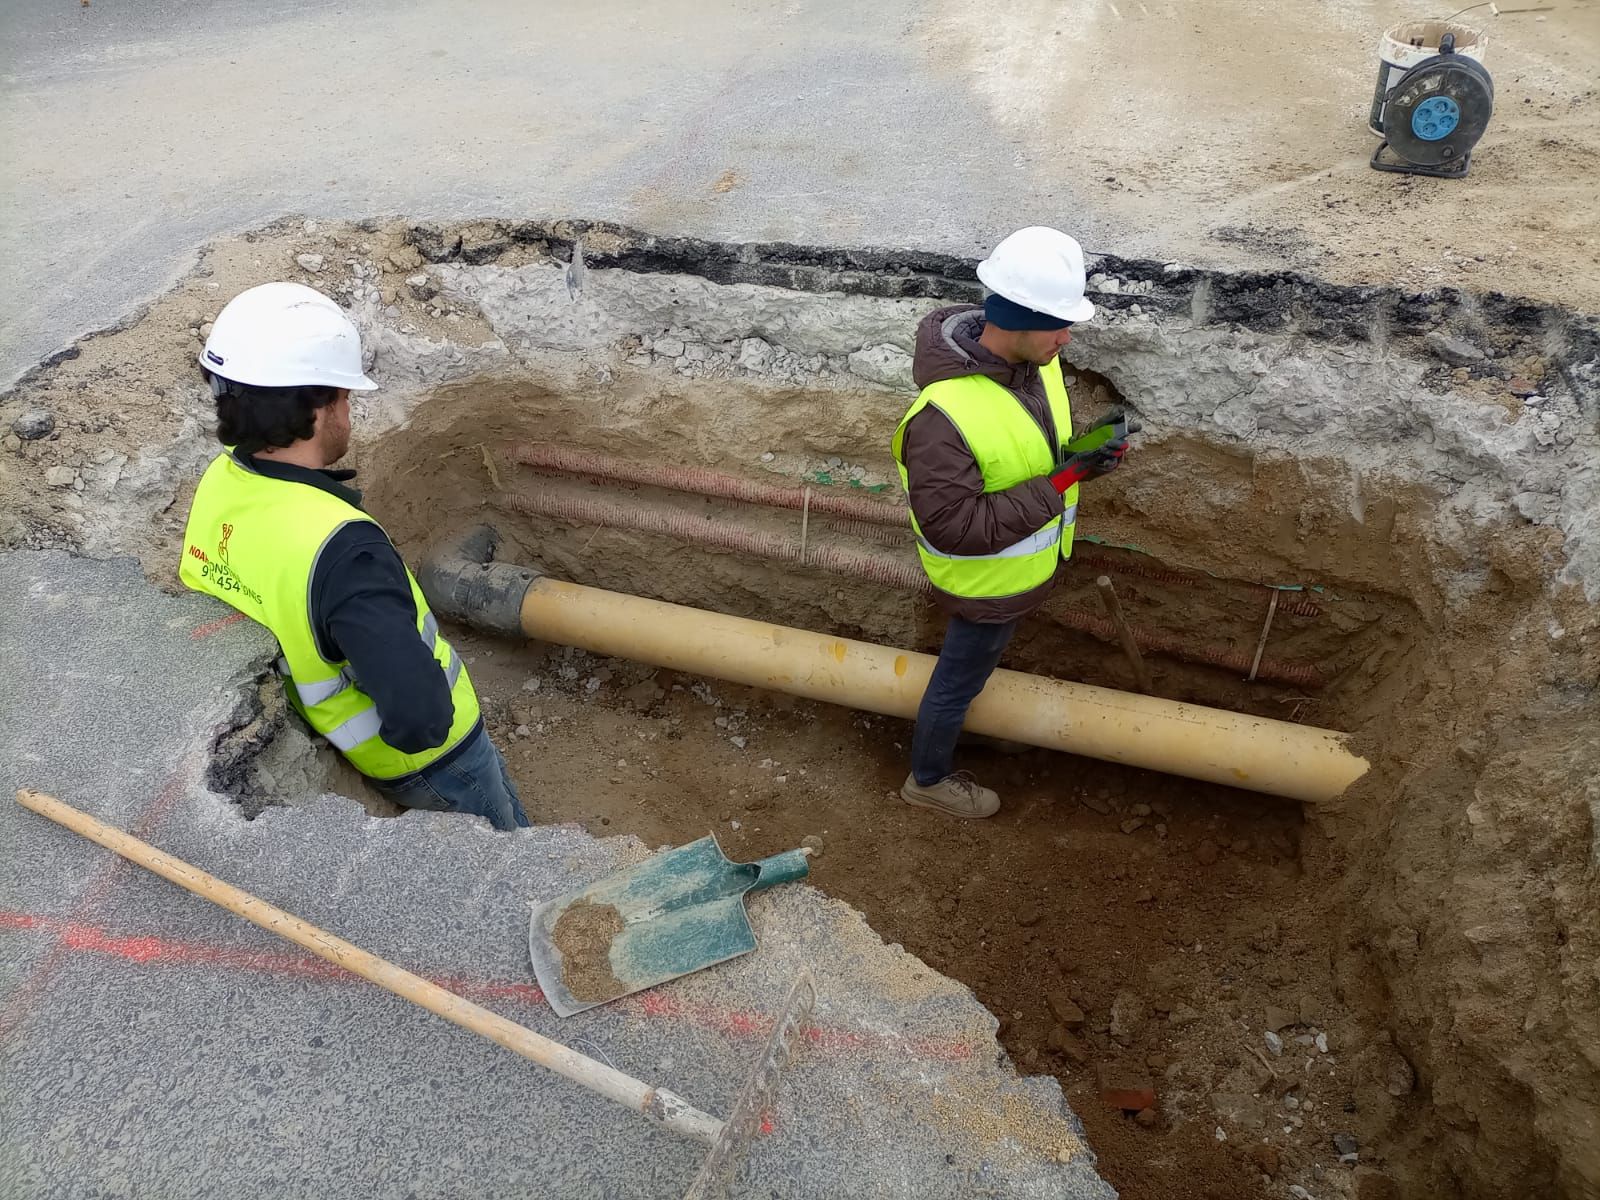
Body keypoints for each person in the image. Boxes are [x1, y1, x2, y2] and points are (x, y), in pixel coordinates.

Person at [178, 282, 529, 830]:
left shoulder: (224, 481)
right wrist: (414, 744)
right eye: (344, 396)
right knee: (511, 859)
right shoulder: (344, 551)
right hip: (436, 763)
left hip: (354, 742)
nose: (349, 410)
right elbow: (422, 717)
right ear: (320, 406)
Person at [890, 227, 1131, 819]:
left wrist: (1085, 454)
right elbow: (956, 527)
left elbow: (1027, 452)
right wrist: (1068, 479)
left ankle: (973, 719)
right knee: (957, 678)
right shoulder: (942, 419)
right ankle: (928, 779)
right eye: (1058, 324)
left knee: (974, 672)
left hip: (1028, 564)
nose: (1067, 337)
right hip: (985, 584)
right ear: (1019, 320)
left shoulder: (1033, 364)